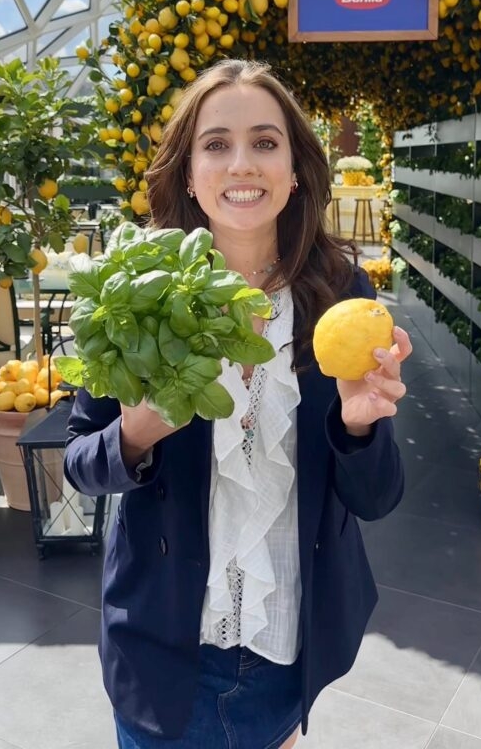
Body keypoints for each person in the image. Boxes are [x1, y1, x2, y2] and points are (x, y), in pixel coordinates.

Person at [64, 58, 411, 749]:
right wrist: (135, 432)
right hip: (165, 655)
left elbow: (375, 500)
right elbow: (80, 463)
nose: (241, 164)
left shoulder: (341, 291)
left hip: (290, 649)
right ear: (188, 173)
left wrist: (358, 428)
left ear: (295, 166)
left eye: (265, 141)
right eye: (216, 144)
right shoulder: (143, 288)